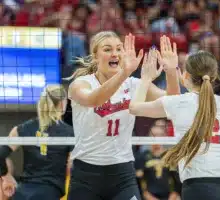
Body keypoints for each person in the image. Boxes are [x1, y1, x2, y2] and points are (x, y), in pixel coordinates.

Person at [67, 31, 180, 200]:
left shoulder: (133, 85)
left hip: (122, 174)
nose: (115, 53)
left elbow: (173, 102)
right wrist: (124, 73)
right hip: (86, 175)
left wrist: (171, 71)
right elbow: (94, 99)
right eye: (107, 49)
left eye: (119, 49)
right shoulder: (81, 84)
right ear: (95, 57)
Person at [129, 50, 220, 200]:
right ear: (214, 76)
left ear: (186, 75)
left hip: (200, 187)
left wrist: (145, 79)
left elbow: (134, 108)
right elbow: (199, 103)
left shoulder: (180, 103)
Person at [0, 84, 74, 200]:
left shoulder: (22, 128)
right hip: (49, 193)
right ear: (62, 103)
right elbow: (73, 167)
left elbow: (0, 154)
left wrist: (6, 176)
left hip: (22, 193)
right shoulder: (70, 133)